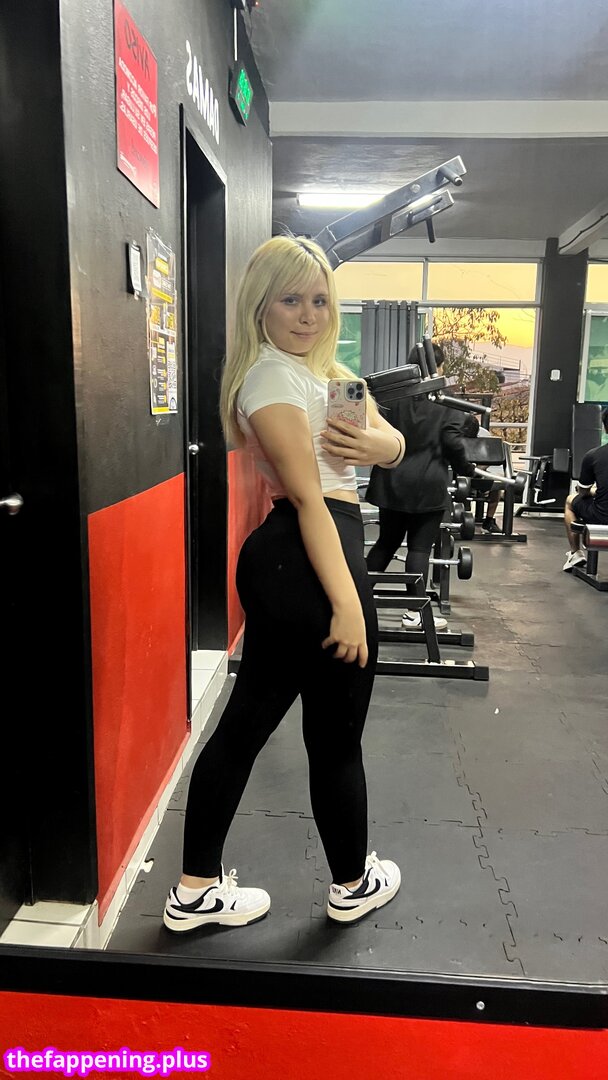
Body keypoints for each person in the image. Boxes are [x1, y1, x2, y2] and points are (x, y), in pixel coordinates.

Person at [163, 236, 407, 933]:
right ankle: (353, 883)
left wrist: (382, 446)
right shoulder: (271, 377)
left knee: (248, 726)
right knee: (332, 737)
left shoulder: (326, 374)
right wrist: (347, 604)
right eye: (290, 300)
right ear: (260, 306)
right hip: (308, 552)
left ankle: (195, 891)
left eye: (320, 300)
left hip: (302, 557)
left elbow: (389, 442)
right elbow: (309, 499)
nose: (308, 315)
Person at [362, 344, 477, 630]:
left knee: (386, 542)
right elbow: (453, 443)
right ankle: (415, 612)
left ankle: (356, 600)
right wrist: (468, 469)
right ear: (439, 367)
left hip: (391, 482)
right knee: (419, 548)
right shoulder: (446, 402)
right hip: (427, 486)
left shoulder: (391, 400)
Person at [563, 406, 608, 572]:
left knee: (570, 500)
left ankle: (575, 553)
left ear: (605, 428)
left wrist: (593, 491)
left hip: (603, 517)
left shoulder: (594, 455)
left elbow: (582, 492)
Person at [460, 413, 501, 533]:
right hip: (459, 469)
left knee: (497, 484)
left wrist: (477, 470)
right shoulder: (453, 434)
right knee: (460, 484)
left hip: (478, 470)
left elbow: (489, 459)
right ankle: (462, 518)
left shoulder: (484, 435)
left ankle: (489, 521)